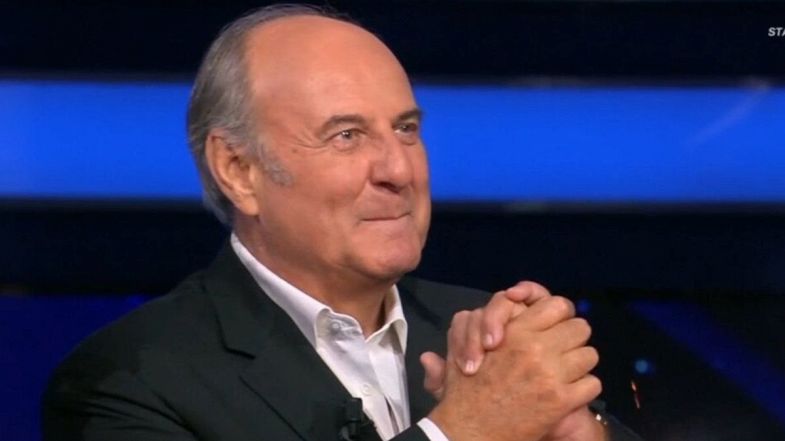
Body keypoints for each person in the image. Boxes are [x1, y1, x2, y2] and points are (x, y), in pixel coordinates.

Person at [42, 5, 643, 441]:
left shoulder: (486, 344)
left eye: (406, 129)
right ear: (239, 170)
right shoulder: (129, 382)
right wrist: (465, 431)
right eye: (347, 135)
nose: (398, 170)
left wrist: (573, 430)